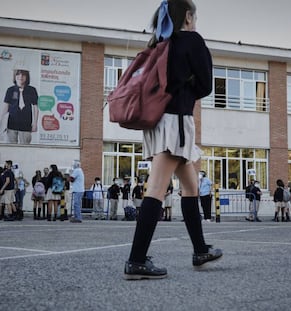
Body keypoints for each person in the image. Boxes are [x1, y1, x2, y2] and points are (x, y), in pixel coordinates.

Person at [124, 0, 222, 280]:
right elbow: (205, 84)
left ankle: (201, 250)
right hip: (175, 122)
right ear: (189, 17)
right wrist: (189, 81)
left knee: (191, 187)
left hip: (158, 121)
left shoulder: (158, 43)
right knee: (156, 189)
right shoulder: (191, 40)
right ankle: (136, 260)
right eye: (195, 16)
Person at [0, 67, 39, 144]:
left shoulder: (32, 90)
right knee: (11, 147)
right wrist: (2, 124)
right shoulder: (10, 90)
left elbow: (36, 108)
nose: (20, 77)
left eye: (23, 75)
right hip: (12, 124)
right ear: (15, 76)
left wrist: (35, 124)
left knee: (25, 147)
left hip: (26, 124)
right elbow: (6, 107)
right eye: (18, 74)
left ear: (27, 77)